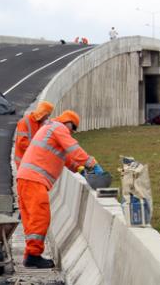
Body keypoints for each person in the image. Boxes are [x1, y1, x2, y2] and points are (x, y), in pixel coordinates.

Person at [16, 110, 103, 268]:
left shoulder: (50, 130)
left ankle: (30, 254)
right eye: (73, 128)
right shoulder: (58, 128)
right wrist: (92, 164)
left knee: (31, 218)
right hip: (34, 180)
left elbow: (67, 159)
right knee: (40, 217)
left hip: (26, 178)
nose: (72, 132)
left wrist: (81, 169)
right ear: (68, 122)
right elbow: (73, 149)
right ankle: (34, 255)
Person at [13, 101, 54, 169]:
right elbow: (22, 143)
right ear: (43, 114)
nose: (47, 118)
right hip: (23, 161)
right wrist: (38, 149)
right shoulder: (24, 122)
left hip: (32, 161)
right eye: (48, 115)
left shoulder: (41, 124)